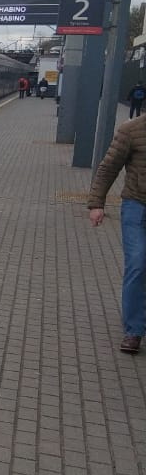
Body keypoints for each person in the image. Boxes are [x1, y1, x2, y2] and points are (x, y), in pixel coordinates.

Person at [88, 113, 146, 353]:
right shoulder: (131, 129)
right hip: (137, 206)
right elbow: (108, 167)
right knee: (138, 262)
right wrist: (96, 203)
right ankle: (134, 330)